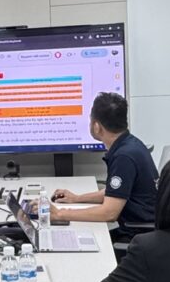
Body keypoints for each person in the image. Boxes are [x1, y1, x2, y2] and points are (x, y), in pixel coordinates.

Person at [50, 92, 157, 240]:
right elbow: (115, 192)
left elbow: (109, 213)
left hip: (136, 236)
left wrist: (60, 214)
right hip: (142, 229)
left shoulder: (123, 157)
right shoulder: (130, 144)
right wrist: (77, 198)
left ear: (96, 126)